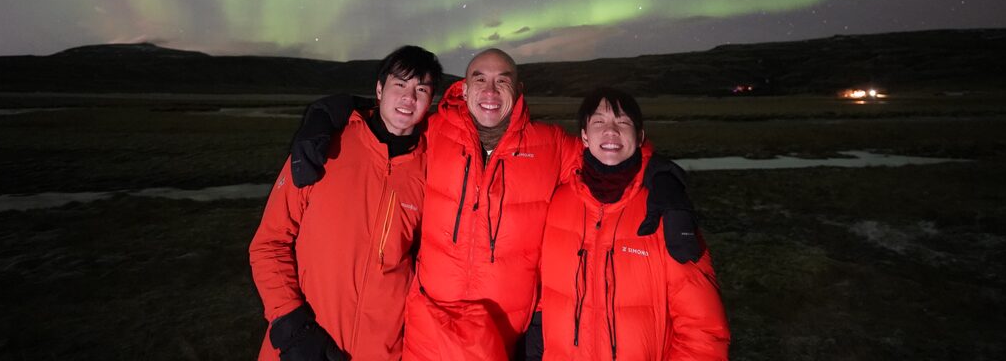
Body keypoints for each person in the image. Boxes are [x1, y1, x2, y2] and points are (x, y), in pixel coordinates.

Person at [289, 49, 703, 361]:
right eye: (480, 80)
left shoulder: (552, 146)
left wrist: (664, 177)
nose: (490, 91)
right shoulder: (432, 131)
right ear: (463, 88)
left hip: (501, 337)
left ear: (518, 91)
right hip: (426, 330)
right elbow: (382, 115)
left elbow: (612, 153)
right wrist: (326, 110)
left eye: (502, 81)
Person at [249, 45, 443, 361]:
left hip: (381, 351)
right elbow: (270, 243)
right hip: (303, 345)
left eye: (421, 89)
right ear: (379, 89)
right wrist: (293, 327)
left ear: (430, 101)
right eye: (399, 85)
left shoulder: (431, 168)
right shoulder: (323, 147)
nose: (409, 97)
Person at [531, 89, 730, 361]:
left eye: (623, 122)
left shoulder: (665, 209)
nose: (611, 131)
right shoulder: (557, 202)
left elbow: (703, 330)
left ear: (640, 137)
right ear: (584, 137)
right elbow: (543, 299)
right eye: (598, 122)